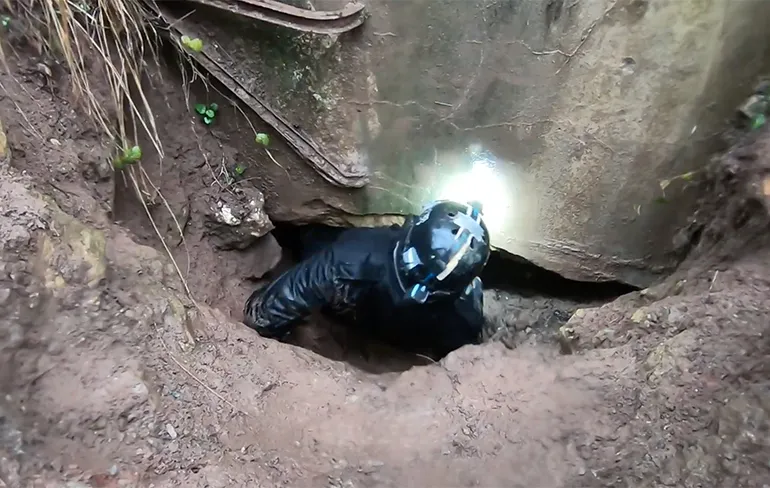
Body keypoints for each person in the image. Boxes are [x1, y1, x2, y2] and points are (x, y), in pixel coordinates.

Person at [242, 199, 491, 359]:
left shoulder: (350, 257)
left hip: (347, 307)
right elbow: (462, 361)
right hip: (399, 338)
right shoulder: (465, 315)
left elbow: (265, 314)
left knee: (314, 236)